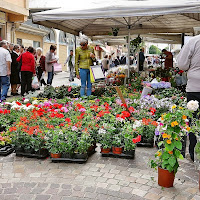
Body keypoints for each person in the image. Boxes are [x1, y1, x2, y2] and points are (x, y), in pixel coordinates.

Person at [177, 35, 200, 162]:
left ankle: (194, 153)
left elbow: (182, 65)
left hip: (196, 88)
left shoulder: (194, 41)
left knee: (194, 121)